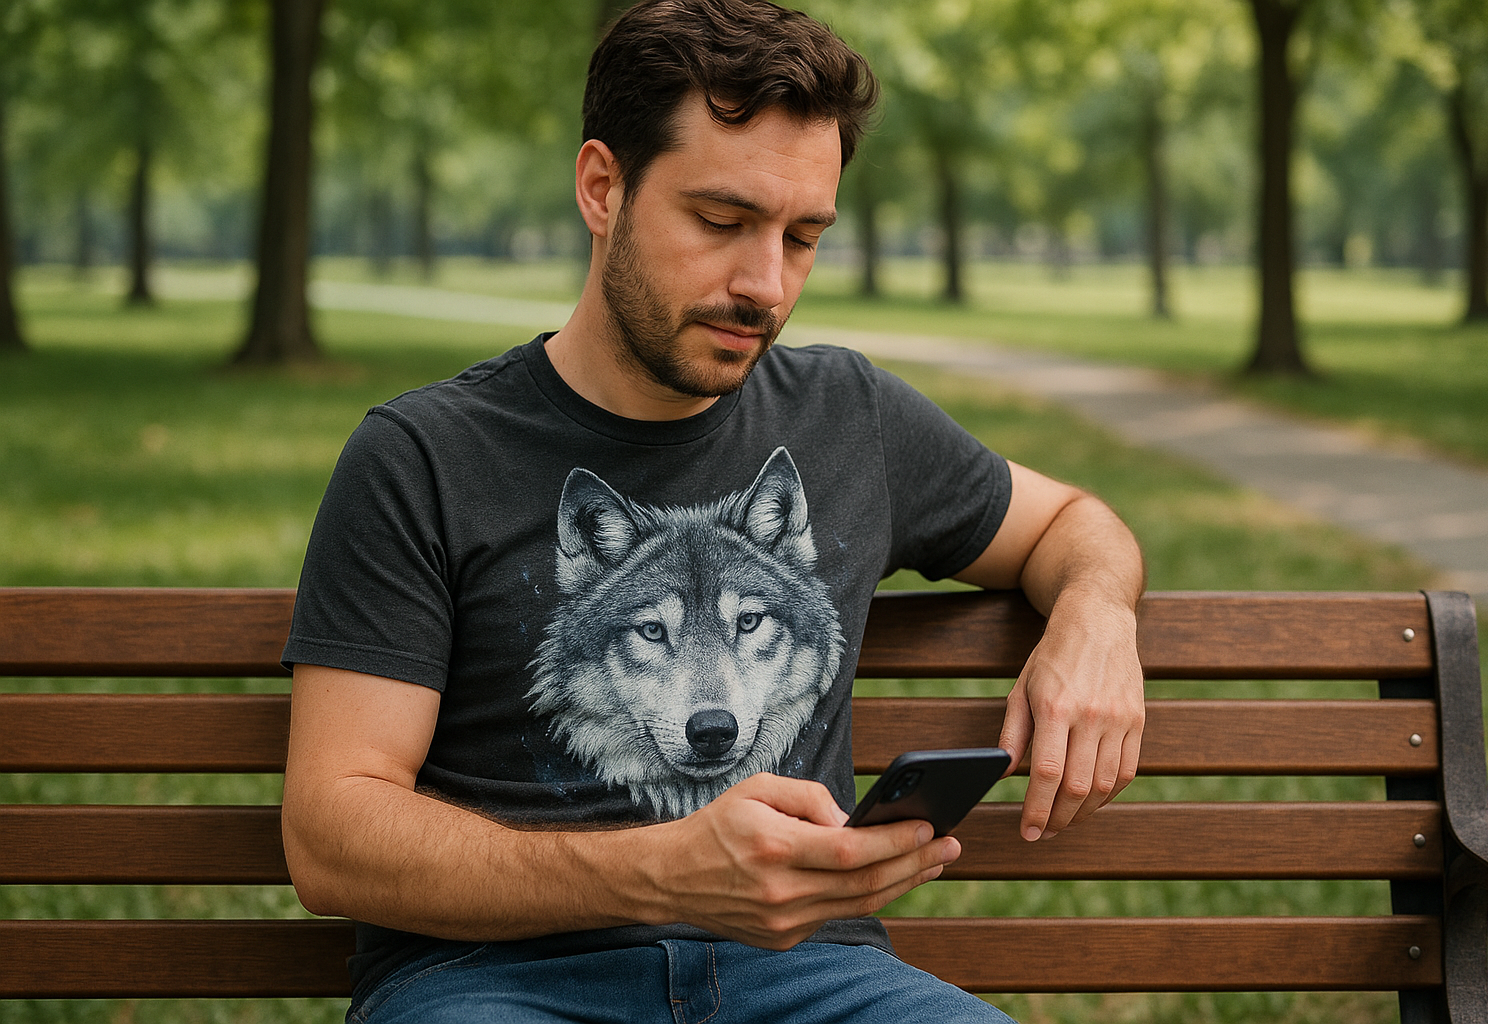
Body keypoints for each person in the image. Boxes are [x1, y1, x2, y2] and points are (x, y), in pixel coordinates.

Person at [280, 1, 1145, 1020]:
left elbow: (1071, 523)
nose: (764, 285)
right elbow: (331, 835)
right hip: (496, 982)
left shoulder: (851, 416)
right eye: (722, 221)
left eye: (803, 236)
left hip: (816, 978)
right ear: (603, 188)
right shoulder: (421, 457)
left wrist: (1096, 613)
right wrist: (661, 871)